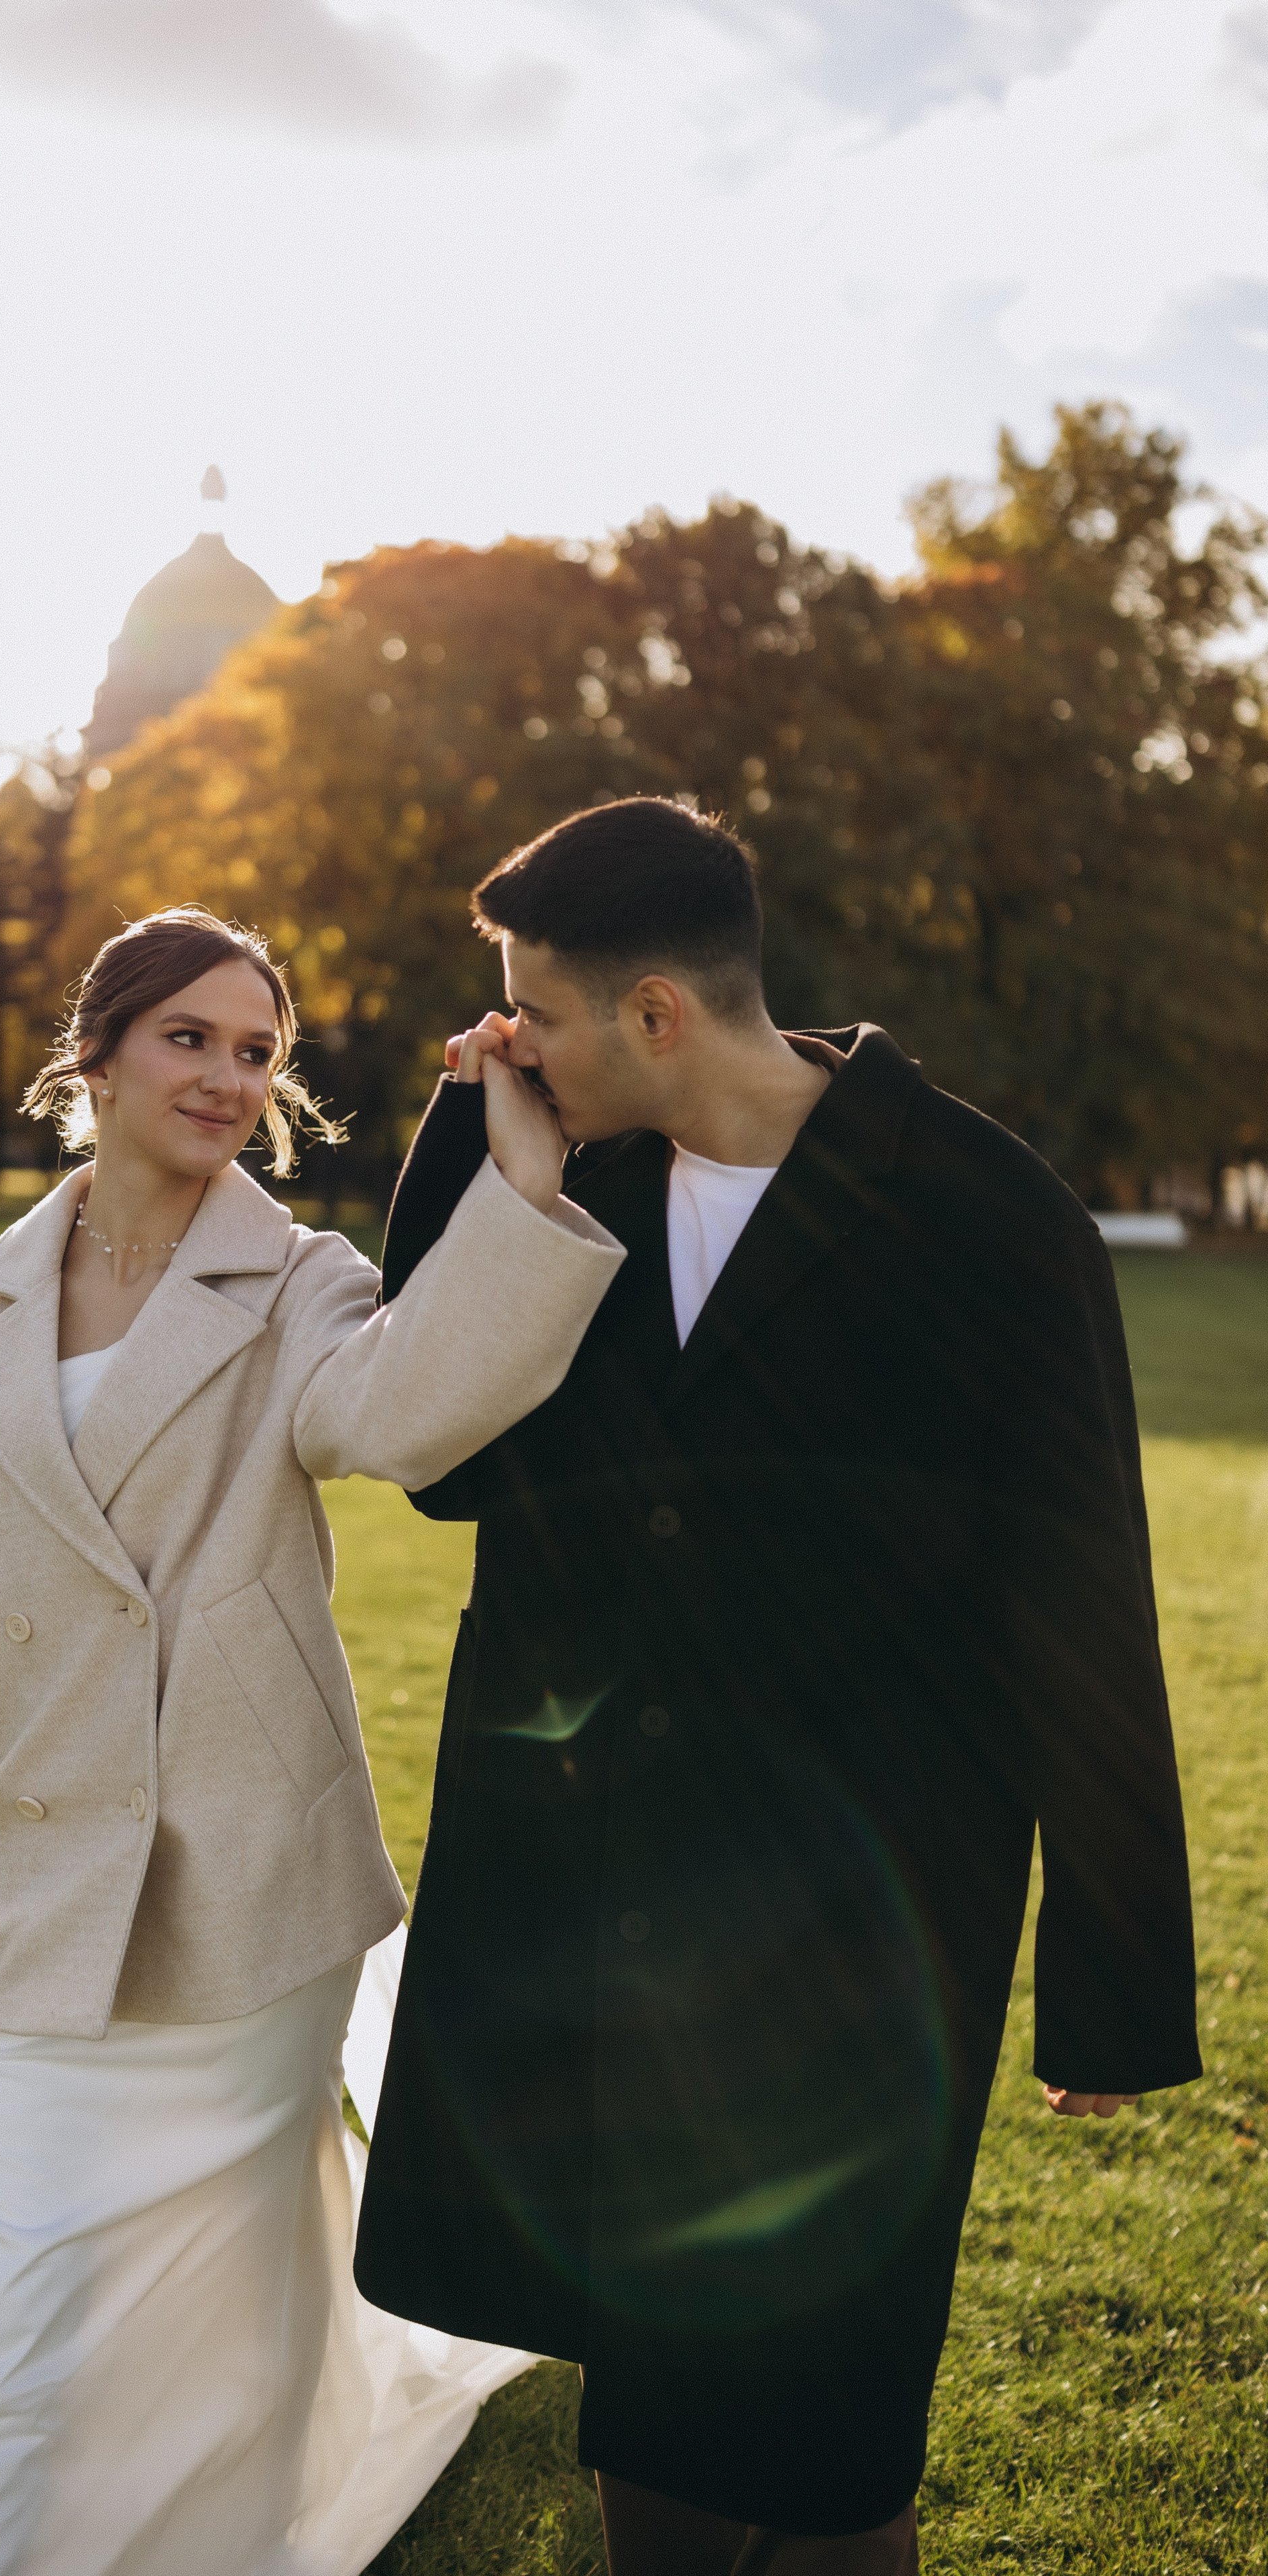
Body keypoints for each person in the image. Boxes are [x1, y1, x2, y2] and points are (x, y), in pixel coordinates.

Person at [354, 799, 1202, 2576]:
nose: (507, 1042)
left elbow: (1084, 1604)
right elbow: (440, 1457)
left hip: (859, 1932)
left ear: (657, 1013)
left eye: (534, 1014)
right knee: (649, 2392)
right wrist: (473, 1144)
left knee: (824, 2435)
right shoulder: (564, 1177)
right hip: (593, 1893)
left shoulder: (988, 1216)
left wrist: (1111, 1988)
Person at [0, 904, 624, 2576]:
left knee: (234, 2280)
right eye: (189, 1036)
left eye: (257, 1051)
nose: (228, 1075)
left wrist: (521, 1181)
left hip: (249, 1866)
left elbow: (394, 1413)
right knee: (7, 2275)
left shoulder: (300, 1281)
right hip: (43, 1865)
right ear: (97, 1055)